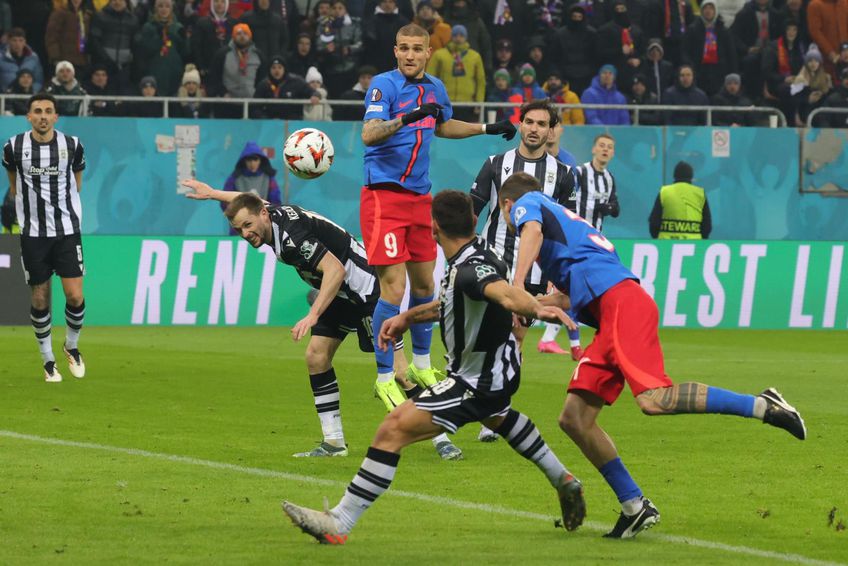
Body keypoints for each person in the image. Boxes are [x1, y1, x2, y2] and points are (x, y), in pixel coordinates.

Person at [500, 171, 806, 538]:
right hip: (610, 312)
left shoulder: (530, 204)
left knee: (654, 400)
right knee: (574, 419)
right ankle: (634, 505)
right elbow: (565, 298)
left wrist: (516, 286)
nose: (514, 221)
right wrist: (526, 302)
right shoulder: (566, 229)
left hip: (622, 306)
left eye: (509, 215)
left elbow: (530, 230)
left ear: (508, 205)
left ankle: (762, 405)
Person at [281, 190, 587, 542]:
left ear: (433, 227)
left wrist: (535, 308)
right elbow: (456, 300)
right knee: (499, 416)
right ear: (473, 222)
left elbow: (501, 292)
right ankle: (563, 479)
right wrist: (408, 317)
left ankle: (340, 522)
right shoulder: (474, 255)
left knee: (392, 429)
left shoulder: (471, 270)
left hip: (476, 379)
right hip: (498, 370)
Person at [182, 182, 462, 459]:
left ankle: (441, 438)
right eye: (239, 229)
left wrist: (313, 314)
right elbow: (249, 201)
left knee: (399, 373)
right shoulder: (270, 215)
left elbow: (335, 270)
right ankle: (334, 442)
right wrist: (213, 195)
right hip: (337, 293)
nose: (245, 233)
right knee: (316, 357)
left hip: (364, 291)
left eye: (248, 225)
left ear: (263, 216)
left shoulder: (291, 239)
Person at [360, 23, 516, 418]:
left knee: (427, 284)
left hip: (419, 198)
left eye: (418, 49)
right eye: (404, 49)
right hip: (383, 195)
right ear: (395, 51)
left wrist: (486, 128)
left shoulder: (435, 89)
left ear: (429, 52)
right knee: (393, 289)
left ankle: (422, 363)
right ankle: (383, 376)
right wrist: (409, 116)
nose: (411, 55)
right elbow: (369, 134)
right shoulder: (384, 86)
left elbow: (441, 124)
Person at [470, 100, 575, 438]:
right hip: (491, 262)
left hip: (533, 273)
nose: (534, 129)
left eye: (542, 124)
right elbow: (473, 211)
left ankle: (496, 412)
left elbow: (564, 229)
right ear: (521, 124)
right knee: (481, 338)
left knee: (514, 340)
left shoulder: (563, 175)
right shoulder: (495, 164)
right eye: (529, 121)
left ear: (551, 130)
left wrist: (557, 279)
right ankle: (479, 405)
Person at [2, 93, 87, 383]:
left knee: (75, 295)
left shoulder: (72, 146)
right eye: (37, 111)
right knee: (40, 297)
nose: (43, 116)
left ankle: (72, 347)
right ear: (28, 116)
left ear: (55, 117)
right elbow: (14, 185)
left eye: (48, 111)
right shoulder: (13, 147)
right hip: (33, 234)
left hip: (66, 230)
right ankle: (48, 359)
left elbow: (76, 184)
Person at [536, 119, 580, 357]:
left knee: (565, 290)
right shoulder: (530, 159)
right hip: (532, 235)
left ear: (560, 130)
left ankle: (554, 339)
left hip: (558, 239)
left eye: (554, 125)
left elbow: (571, 206)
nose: (550, 130)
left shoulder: (569, 163)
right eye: (546, 125)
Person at [426, 25, 486, 121]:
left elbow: (480, 81)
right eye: (455, 35)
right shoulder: (439, 55)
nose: (458, 38)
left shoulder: (475, 56)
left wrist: (479, 102)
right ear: (451, 37)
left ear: (466, 38)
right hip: (444, 103)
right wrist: (431, 100)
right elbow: (430, 78)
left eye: (461, 35)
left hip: (468, 104)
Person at [208, 23, 268, 117]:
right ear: (233, 36)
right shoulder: (222, 54)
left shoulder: (258, 55)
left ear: (250, 36)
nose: (242, 36)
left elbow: (263, 79)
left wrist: (257, 96)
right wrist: (223, 93)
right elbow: (215, 77)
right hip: (226, 104)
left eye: (245, 33)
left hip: (251, 104)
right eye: (239, 34)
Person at [682, 0, 737, 98]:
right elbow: (685, 51)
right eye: (705, 8)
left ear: (715, 10)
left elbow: (731, 54)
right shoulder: (693, 29)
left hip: (719, 72)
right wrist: (692, 67)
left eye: (711, 8)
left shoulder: (724, 30)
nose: (708, 11)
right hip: (699, 71)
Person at [135, 0, 188, 97]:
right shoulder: (148, 27)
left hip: (174, 72)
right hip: (155, 70)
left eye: (167, 6)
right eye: (161, 6)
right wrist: (158, 38)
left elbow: (185, 52)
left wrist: (185, 39)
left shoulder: (178, 27)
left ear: (171, 9)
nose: (164, 9)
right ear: (156, 8)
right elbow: (146, 50)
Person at [648, 161, 712, 239]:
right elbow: (707, 225)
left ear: (675, 176)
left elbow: (654, 222)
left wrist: (659, 240)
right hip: (694, 244)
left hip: (667, 244)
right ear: (691, 176)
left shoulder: (665, 192)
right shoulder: (700, 194)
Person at [88, 0, 138, 94]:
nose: (117, 2)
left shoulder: (133, 19)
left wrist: (130, 59)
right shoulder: (100, 16)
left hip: (124, 66)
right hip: (103, 65)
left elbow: (135, 43)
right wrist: (105, 59)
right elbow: (94, 40)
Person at [548, 4, 597, 95]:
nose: (577, 19)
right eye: (574, 17)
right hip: (566, 75)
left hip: (587, 76)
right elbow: (554, 56)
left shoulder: (592, 34)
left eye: (579, 17)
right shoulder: (560, 35)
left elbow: (595, 56)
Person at [252, 55, 319, 120]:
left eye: (280, 67)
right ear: (269, 70)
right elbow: (255, 107)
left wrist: (315, 95)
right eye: (273, 67)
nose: (277, 71)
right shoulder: (263, 84)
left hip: (293, 124)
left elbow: (313, 91)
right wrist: (267, 120)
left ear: (284, 69)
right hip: (270, 125)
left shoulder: (296, 81)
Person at [45, 0, 93, 78]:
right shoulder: (60, 13)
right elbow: (51, 37)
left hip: (81, 61)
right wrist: (55, 57)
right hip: (64, 60)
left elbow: (86, 37)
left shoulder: (86, 15)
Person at [191, 0, 236, 80]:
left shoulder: (233, 23)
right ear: (212, 4)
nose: (219, 4)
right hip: (208, 68)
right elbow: (197, 46)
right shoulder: (202, 22)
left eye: (222, 2)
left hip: (229, 69)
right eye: (216, 1)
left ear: (227, 4)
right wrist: (201, 66)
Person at [0, 28, 45, 92]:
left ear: (24, 42)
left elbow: (39, 80)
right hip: (4, 98)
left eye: (21, 40)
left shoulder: (33, 58)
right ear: (9, 41)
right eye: (14, 40)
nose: (17, 44)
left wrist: (32, 92)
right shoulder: (1, 57)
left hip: (28, 97)